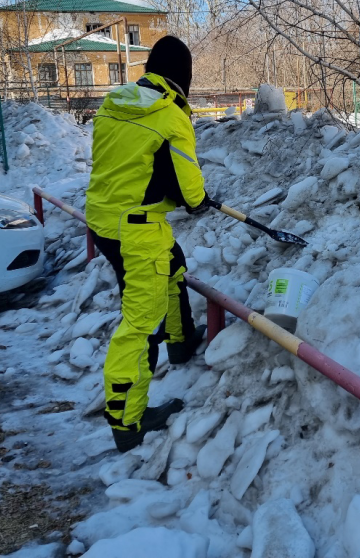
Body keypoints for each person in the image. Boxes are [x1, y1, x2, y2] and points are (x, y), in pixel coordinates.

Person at [85, 35, 208, 452]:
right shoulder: (173, 116)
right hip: (139, 231)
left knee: (173, 262)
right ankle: (127, 419)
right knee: (138, 325)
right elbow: (191, 195)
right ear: (183, 76)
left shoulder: (113, 102)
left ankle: (182, 339)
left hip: (104, 222)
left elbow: (131, 163)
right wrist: (198, 199)